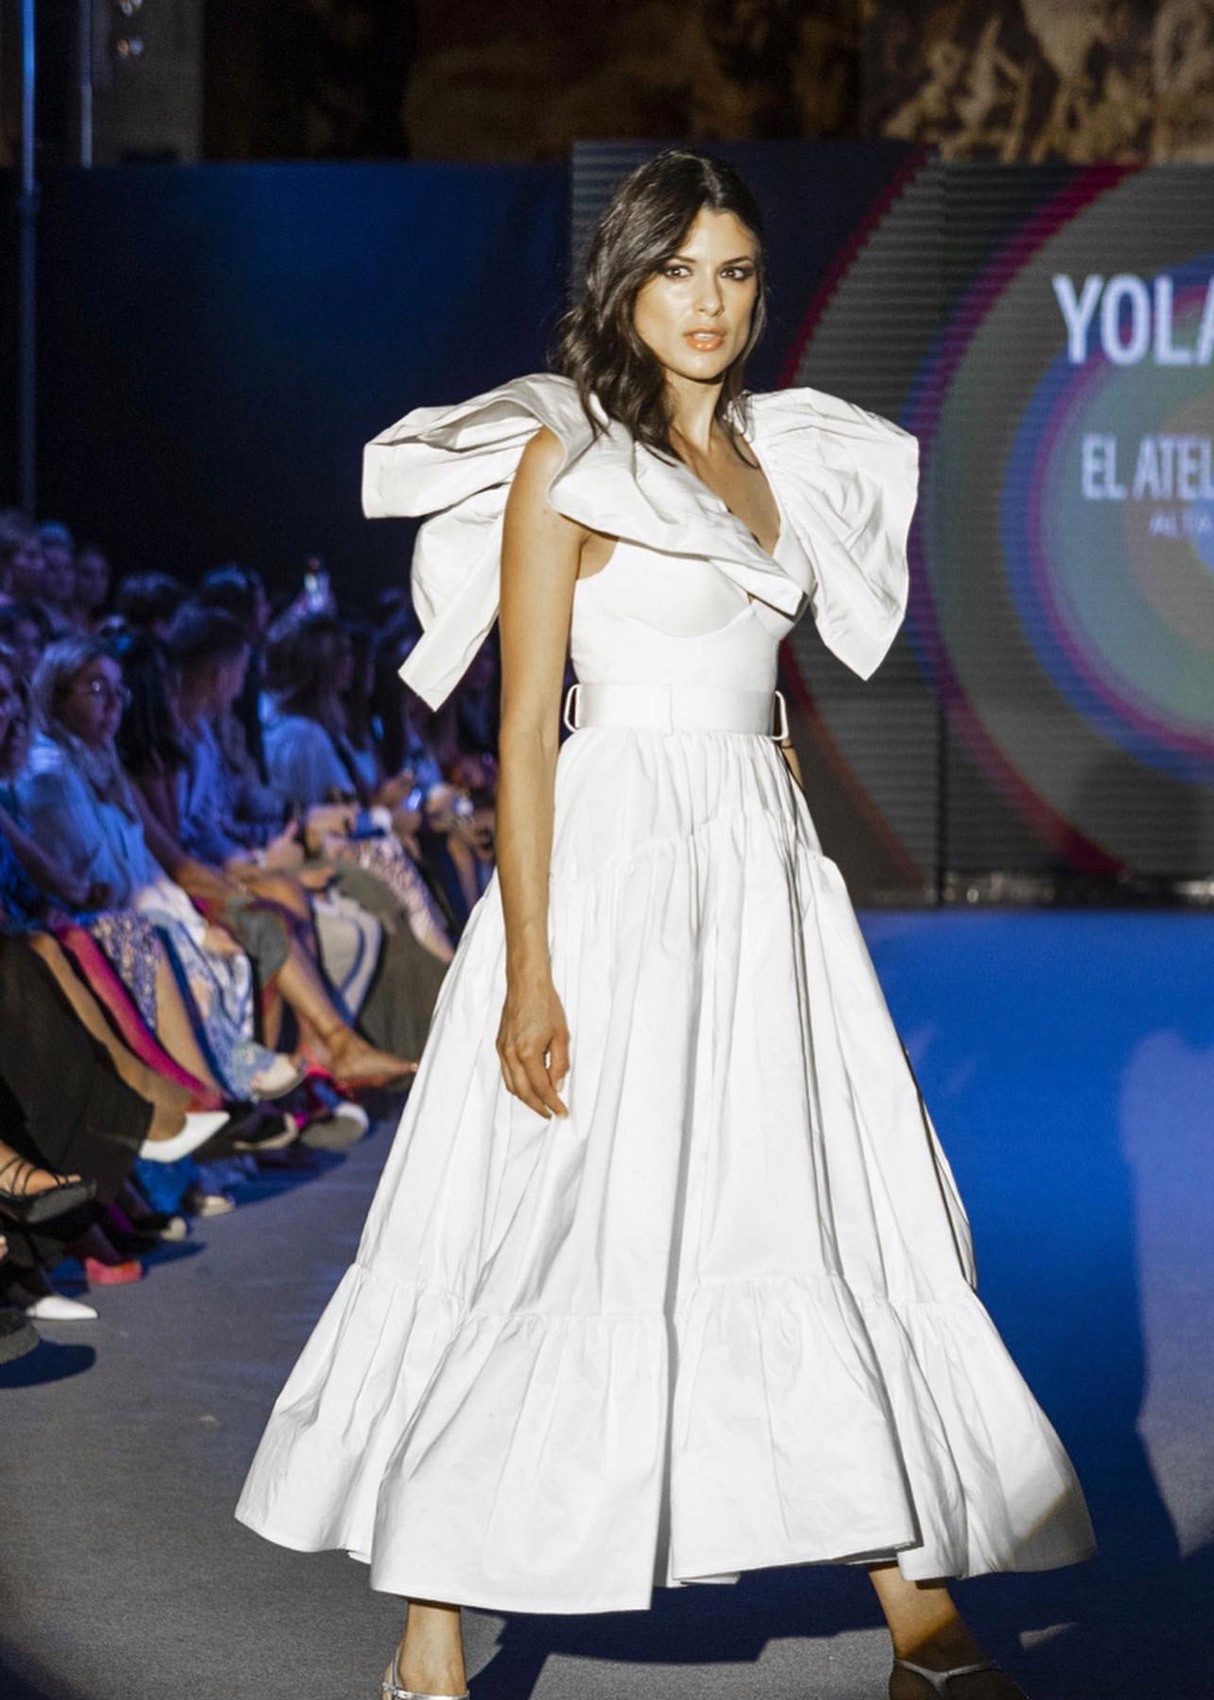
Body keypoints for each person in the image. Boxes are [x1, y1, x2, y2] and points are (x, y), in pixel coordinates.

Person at [236, 149, 1096, 1700]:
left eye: (736, 271)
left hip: (757, 879)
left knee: (815, 1215)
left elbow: (759, 703)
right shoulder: (564, 456)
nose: (709, 303)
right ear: (625, 284)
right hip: (613, 877)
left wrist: (789, 860)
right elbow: (521, 734)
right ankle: (430, 1636)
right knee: (549, 1224)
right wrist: (531, 970)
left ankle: (920, 1617)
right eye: (679, 271)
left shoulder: (782, 456)